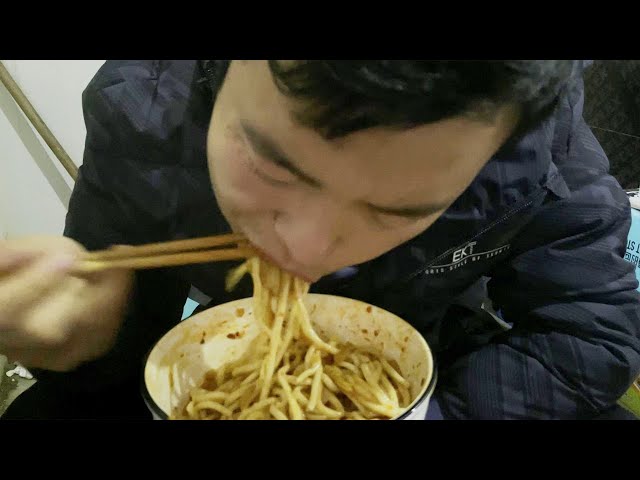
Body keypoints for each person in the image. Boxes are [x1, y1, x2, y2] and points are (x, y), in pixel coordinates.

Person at [1, 60, 639, 419]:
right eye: (273, 165)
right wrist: (93, 336)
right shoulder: (144, 109)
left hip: (428, 364)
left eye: (397, 209)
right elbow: (126, 344)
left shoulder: (532, 138)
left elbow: (594, 326)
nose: (301, 253)